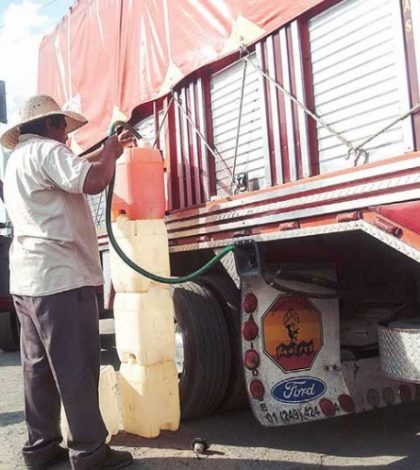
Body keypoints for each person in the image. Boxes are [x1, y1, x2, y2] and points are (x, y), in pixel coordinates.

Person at [0, 95, 135, 470]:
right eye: (62, 127)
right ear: (50, 125)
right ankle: (90, 452)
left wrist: (109, 153)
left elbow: (74, 170)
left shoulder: (18, 161)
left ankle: (41, 448)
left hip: (29, 281)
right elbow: (92, 180)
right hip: (61, 278)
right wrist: (109, 153)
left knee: (38, 368)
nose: (66, 137)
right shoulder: (47, 151)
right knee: (76, 367)